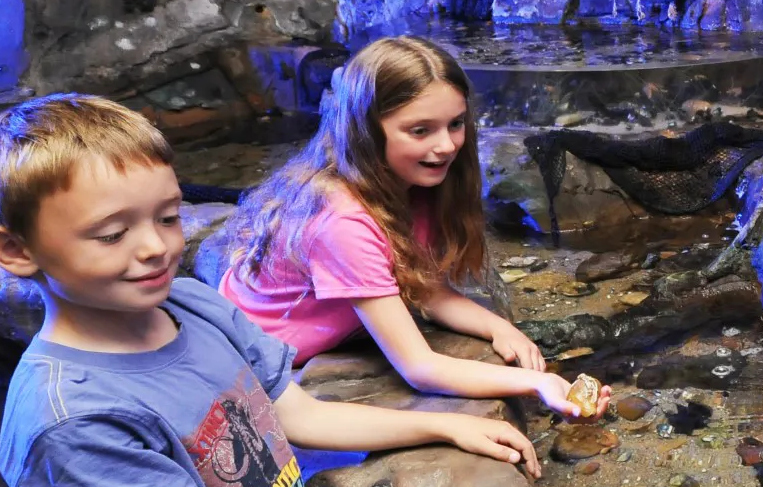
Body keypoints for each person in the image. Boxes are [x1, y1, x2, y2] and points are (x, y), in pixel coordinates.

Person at [0, 94, 539, 487]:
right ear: (15, 249)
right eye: (112, 234)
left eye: (168, 216)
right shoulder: (69, 421)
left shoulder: (187, 303)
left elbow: (298, 413)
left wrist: (443, 427)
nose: (156, 248)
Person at [220, 35, 609, 420]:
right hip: (255, 361)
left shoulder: (411, 183)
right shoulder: (342, 222)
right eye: (420, 130)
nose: (446, 146)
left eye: (455, 124)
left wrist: (496, 326)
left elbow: (422, 286)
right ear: (366, 129)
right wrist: (538, 384)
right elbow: (419, 368)